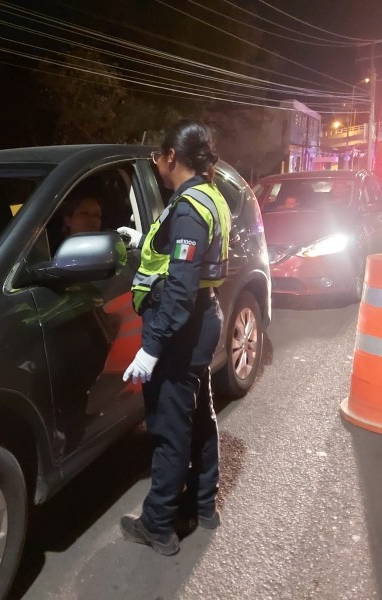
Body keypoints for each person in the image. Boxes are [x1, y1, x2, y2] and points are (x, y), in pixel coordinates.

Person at [116, 118, 231, 556]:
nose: (157, 165)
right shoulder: (209, 195)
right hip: (201, 320)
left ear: (170, 157)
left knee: (169, 428)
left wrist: (151, 347)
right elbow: (180, 260)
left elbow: (181, 288)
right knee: (199, 415)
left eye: (158, 157)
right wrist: (142, 240)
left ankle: (158, 525)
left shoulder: (188, 207)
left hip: (183, 329)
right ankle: (203, 505)